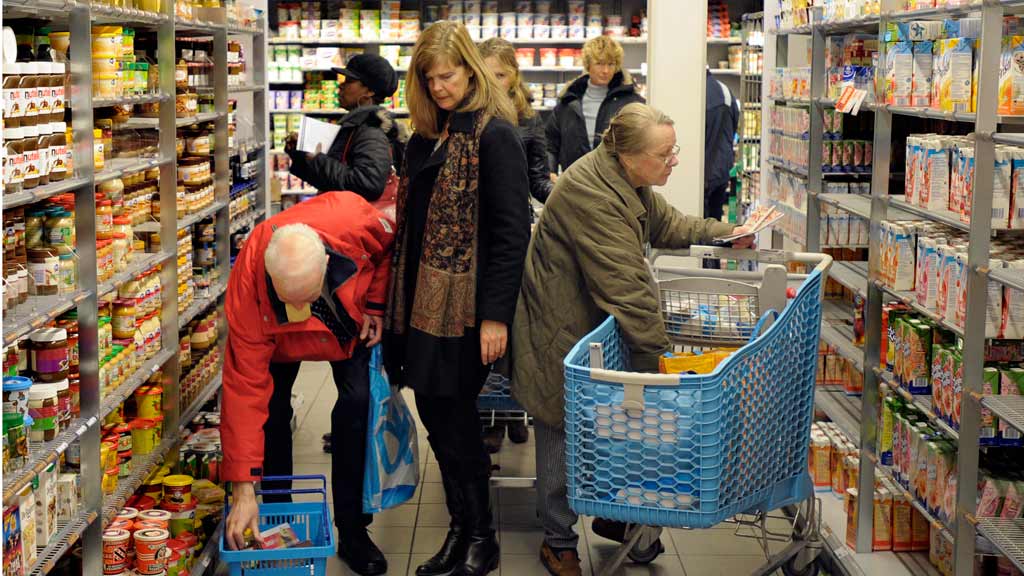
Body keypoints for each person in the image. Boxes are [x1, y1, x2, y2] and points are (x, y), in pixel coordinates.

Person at [510, 103, 753, 576]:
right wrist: (663, 362)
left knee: (609, 428)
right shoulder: (591, 193)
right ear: (628, 156)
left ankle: (615, 518)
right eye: (665, 154)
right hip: (559, 332)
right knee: (561, 428)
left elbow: (670, 226)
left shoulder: (626, 181)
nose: (675, 160)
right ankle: (557, 540)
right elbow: (628, 288)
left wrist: (730, 234)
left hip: (592, 325)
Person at [382, 21, 531, 576]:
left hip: (464, 311)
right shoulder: (426, 136)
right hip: (418, 303)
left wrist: (496, 315)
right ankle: (461, 531)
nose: (440, 86)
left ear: (470, 68)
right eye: (430, 77)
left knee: (455, 418)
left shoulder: (496, 136)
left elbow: (512, 233)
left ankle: (479, 538)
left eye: (448, 74)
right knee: (436, 416)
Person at [221, 192, 394, 576]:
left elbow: (387, 248)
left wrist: (376, 307)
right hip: (277, 344)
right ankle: (276, 521)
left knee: (355, 408)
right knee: (272, 416)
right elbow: (244, 390)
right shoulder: (249, 283)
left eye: (307, 299)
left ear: (327, 264)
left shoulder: (352, 218)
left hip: (346, 329)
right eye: (289, 302)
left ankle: (353, 531)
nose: (298, 312)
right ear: (269, 275)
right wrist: (243, 488)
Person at [285, 53, 406, 200]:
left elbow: (367, 184)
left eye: (349, 80)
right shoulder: (356, 125)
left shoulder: (371, 131)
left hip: (360, 221)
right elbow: (333, 181)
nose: (341, 85)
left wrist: (317, 159)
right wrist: (301, 155)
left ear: (369, 91)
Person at [545, 35, 645, 178]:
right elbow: (550, 143)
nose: (605, 70)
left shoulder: (631, 102)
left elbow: (642, 144)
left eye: (611, 64)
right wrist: (550, 172)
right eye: (599, 63)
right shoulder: (568, 101)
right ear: (588, 65)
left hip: (617, 184)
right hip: (575, 182)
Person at [704, 66, 740, 222]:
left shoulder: (696, 92)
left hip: (703, 172)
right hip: (721, 169)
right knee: (714, 224)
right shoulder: (724, 90)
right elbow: (735, 124)